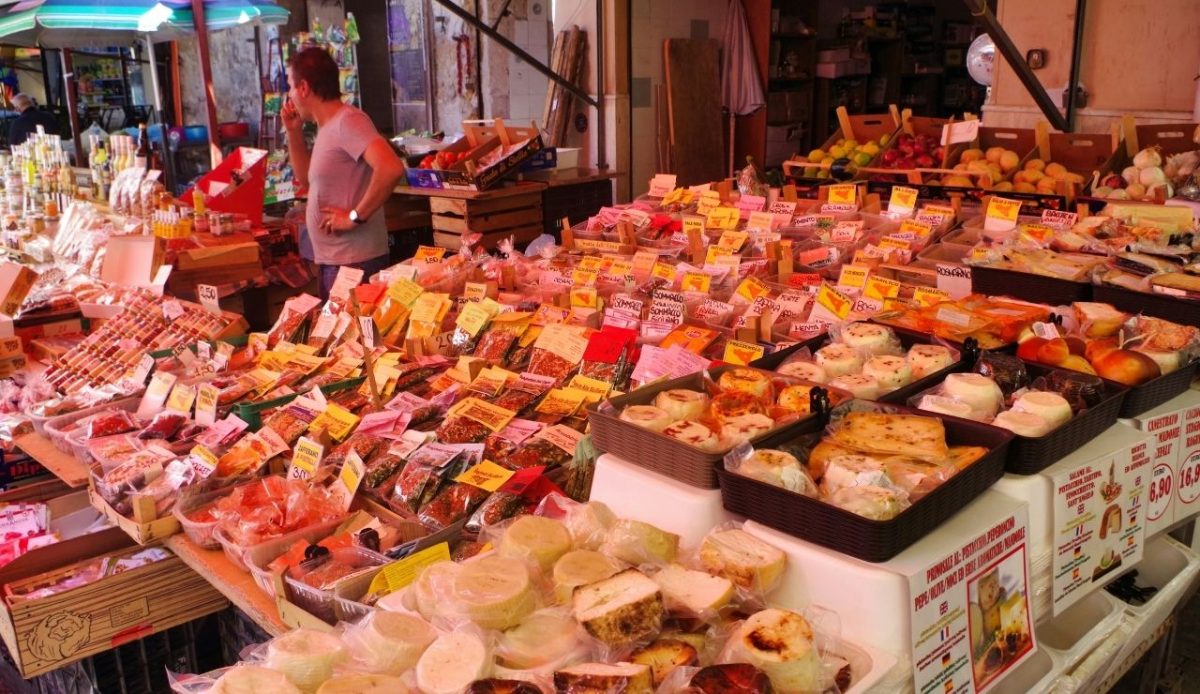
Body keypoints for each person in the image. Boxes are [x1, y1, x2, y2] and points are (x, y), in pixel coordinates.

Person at [281, 47, 405, 299]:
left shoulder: (348, 122)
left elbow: (391, 167)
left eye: (291, 87)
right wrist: (294, 132)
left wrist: (353, 217)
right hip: (335, 262)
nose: (289, 96)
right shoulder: (326, 128)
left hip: (355, 263)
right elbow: (307, 181)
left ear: (303, 88)